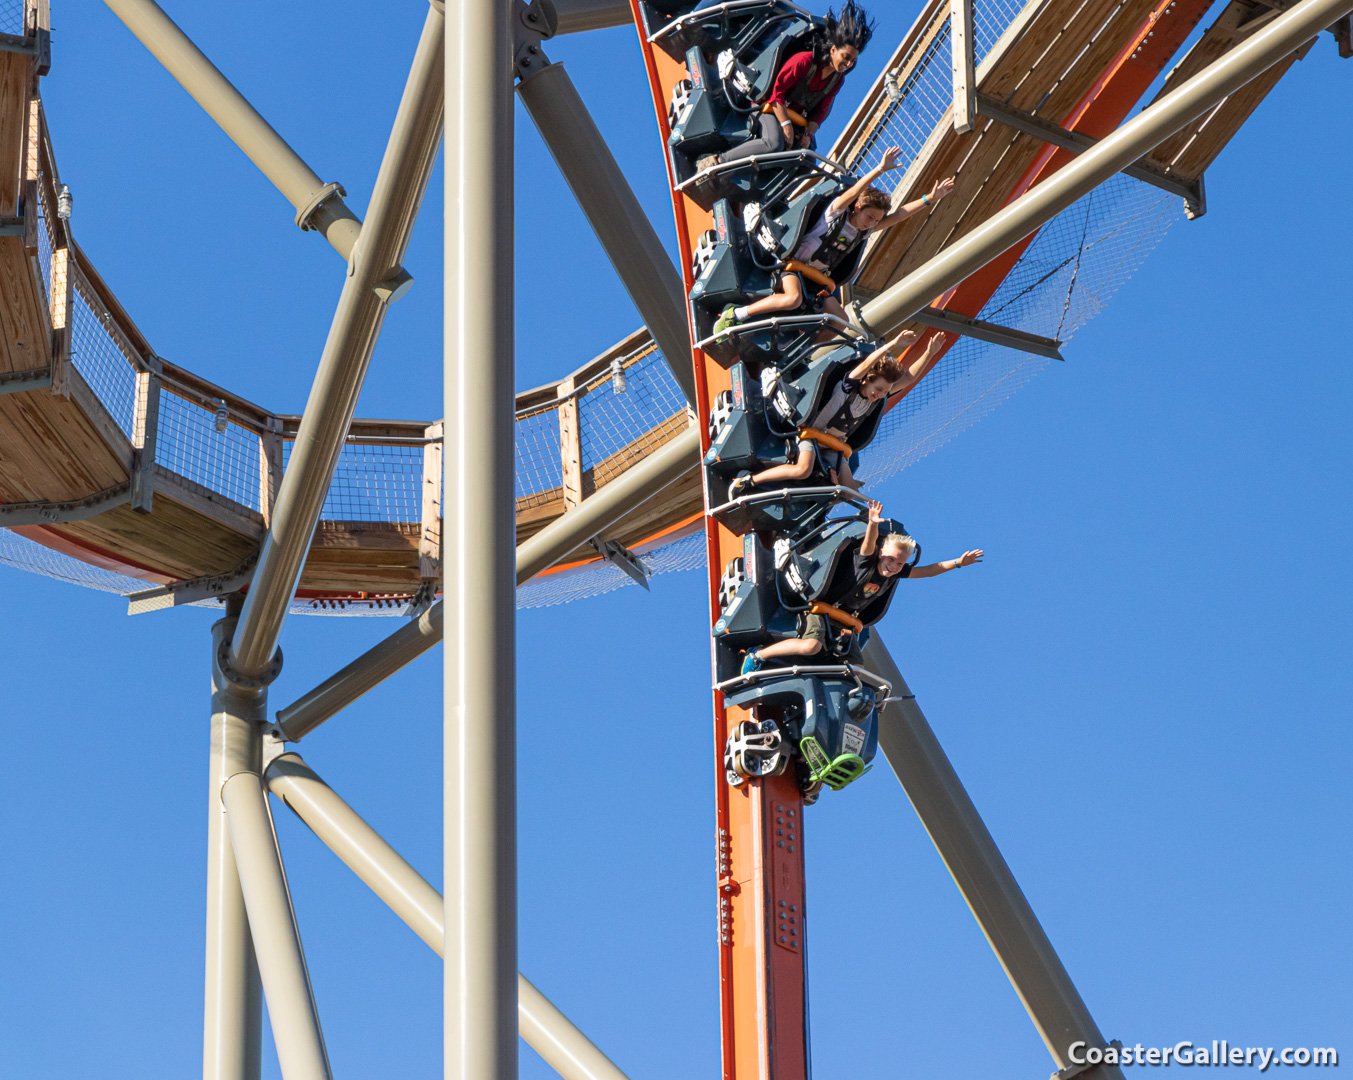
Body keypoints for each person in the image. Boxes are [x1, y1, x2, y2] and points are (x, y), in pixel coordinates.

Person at [714, 145, 955, 335]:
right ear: (858, 208)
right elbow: (851, 192)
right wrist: (880, 169)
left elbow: (899, 216)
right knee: (793, 298)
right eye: (869, 216)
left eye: (875, 220)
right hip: (792, 268)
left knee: (841, 321)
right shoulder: (836, 213)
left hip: (815, 280)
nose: (871, 223)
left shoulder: (864, 231)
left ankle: (805, 354)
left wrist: (929, 200)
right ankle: (736, 315)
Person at [741, 498, 982, 673]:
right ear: (881, 554)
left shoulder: (894, 573)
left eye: (900, 563)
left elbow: (928, 571)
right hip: (822, 608)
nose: (895, 566)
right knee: (812, 645)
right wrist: (873, 524)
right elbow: (868, 545)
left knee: (856, 667)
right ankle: (758, 655)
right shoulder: (866, 562)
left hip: (845, 620)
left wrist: (958, 563)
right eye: (890, 559)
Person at [728, 329, 945, 497]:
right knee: (802, 469)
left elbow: (908, 379)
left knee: (849, 492)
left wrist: (928, 353)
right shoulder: (849, 385)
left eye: (885, 392)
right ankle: (749, 482)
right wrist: (893, 344)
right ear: (867, 379)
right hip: (812, 435)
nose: (880, 395)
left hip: (834, 444)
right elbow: (869, 362)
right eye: (878, 389)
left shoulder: (874, 401)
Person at [702, 1, 877, 168]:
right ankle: (717, 161)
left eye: (852, 61)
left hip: (794, 118)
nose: (848, 64)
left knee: (806, 161)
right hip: (767, 106)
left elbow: (819, 112)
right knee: (773, 143)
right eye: (845, 57)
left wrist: (808, 135)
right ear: (833, 50)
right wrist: (785, 125)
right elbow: (776, 92)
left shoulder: (837, 80)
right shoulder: (805, 61)